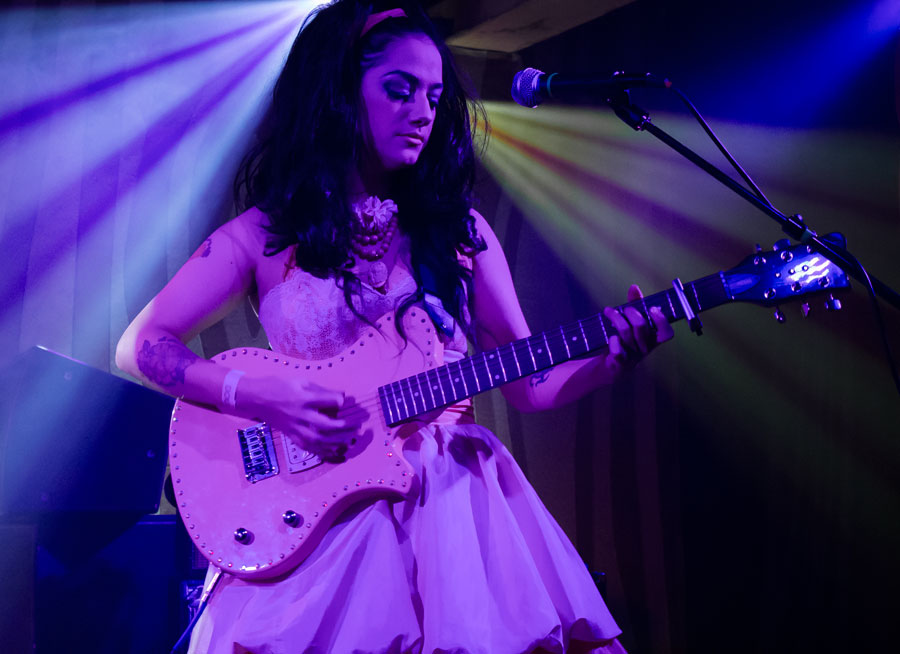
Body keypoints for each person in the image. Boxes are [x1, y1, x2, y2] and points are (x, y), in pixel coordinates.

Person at [116, 1, 674, 652]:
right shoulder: (265, 236)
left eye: (434, 97)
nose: (421, 111)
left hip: (451, 509)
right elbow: (141, 345)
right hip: (315, 513)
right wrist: (260, 393)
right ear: (339, 95)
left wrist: (612, 359)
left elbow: (530, 384)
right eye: (399, 89)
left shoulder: (463, 235)